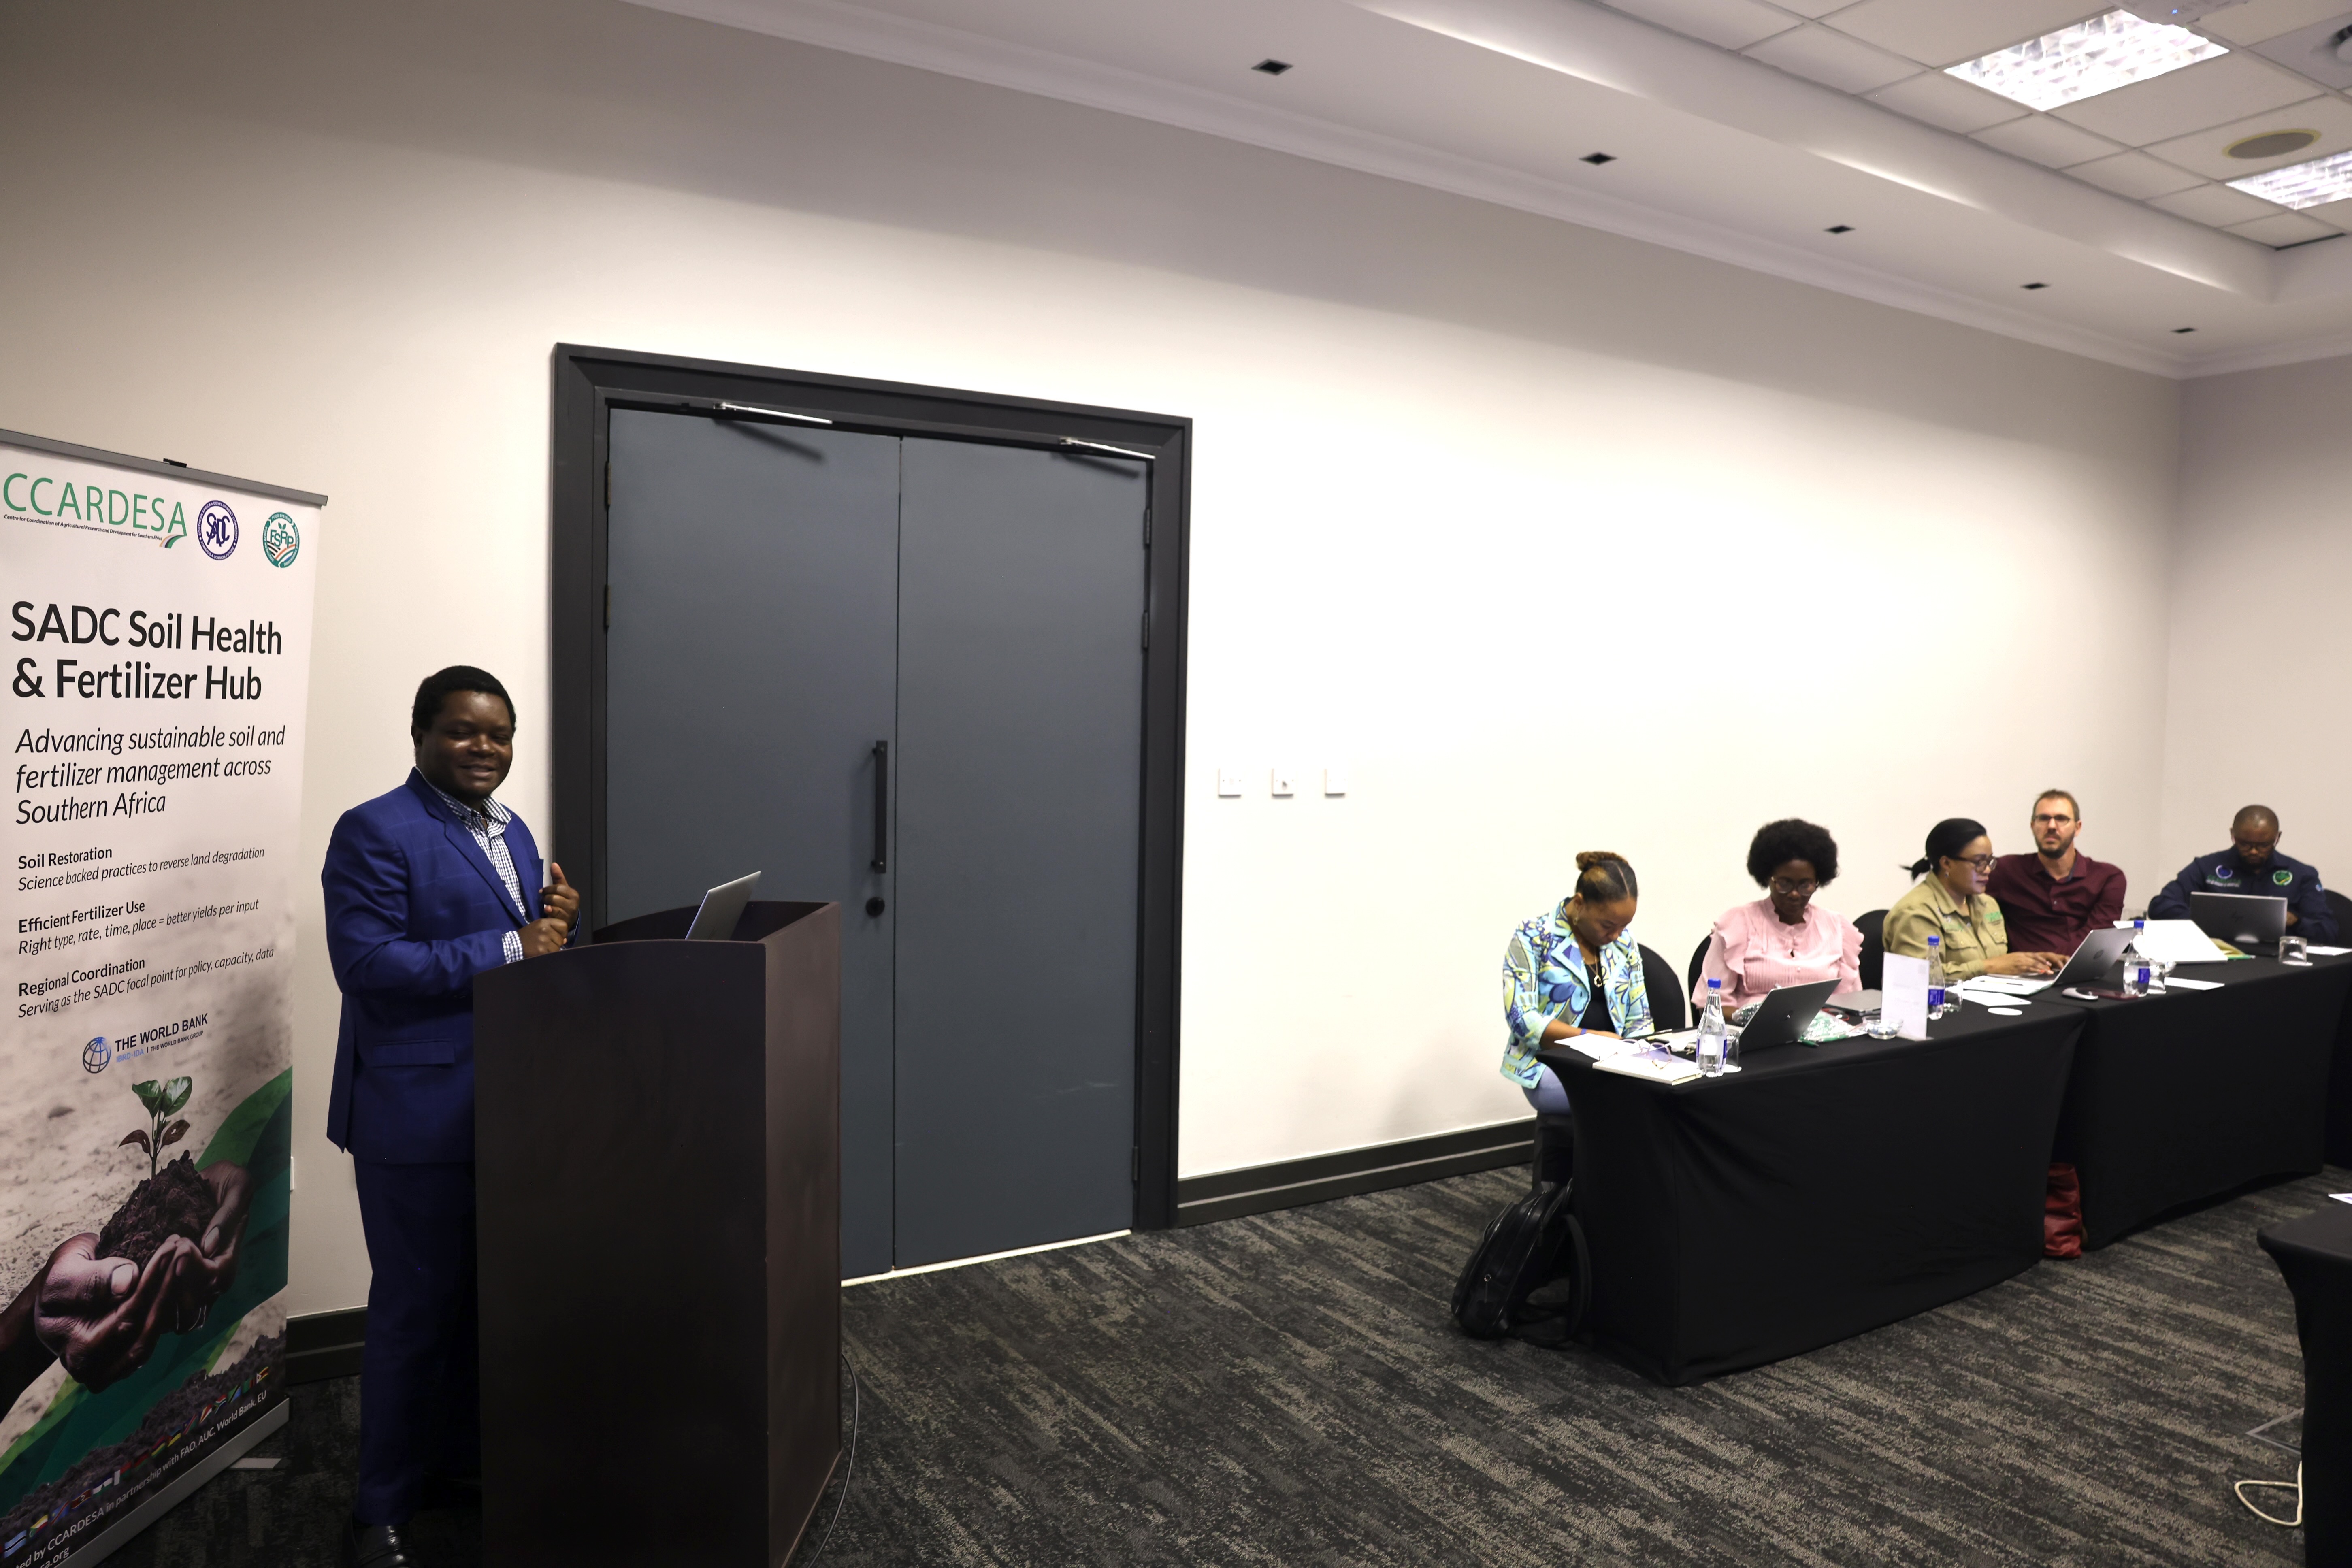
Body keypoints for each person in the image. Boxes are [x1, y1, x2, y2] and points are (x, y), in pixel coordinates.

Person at [323, 668, 580, 1568]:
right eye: (464, 731)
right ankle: (379, 1510)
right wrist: (513, 942)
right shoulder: (374, 829)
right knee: (414, 1310)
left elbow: (525, 952)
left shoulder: (513, 830)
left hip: (504, 1107)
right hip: (414, 1115)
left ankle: (454, 1463)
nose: (485, 748)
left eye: (499, 734)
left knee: (479, 1302)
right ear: (421, 734)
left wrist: (553, 920)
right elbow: (367, 964)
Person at [1500, 852, 1654, 1124]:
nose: (1616, 935)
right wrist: (1590, 1039)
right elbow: (1522, 1019)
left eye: (1624, 926)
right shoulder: (1533, 937)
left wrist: (1645, 1058)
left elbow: (1639, 1020)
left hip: (1615, 1063)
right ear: (1580, 903)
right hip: (1548, 1066)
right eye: (1608, 925)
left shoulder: (1624, 943)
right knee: (1626, 1095)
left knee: (1656, 1089)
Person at [1693, 818, 1862, 1012]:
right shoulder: (1736, 926)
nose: (1795, 894)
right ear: (1768, 878)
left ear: (1818, 882)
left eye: (1805, 885)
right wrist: (1754, 1017)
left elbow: (1853, 1003)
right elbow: (1711, 1007)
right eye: (1784, 883)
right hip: (1752, 1029)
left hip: (1824, 1030)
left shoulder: (1837, 928)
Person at [1882, 818, 2066, 981]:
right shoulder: (1916, 912)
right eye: (1979, 862)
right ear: (1947, 863)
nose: (1988, 870)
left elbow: (1999, 962)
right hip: (1943, 1007)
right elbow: (1917, 979)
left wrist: (2034, 962)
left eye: (1990, 861)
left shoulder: (1987, 904)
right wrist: (1988, 967)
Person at [2148, 804, 2337, 942]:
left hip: (2277, 961)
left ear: (2277, 838)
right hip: (2216, 953)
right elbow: (2160, 906)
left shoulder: (2301, 874)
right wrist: (2205, 919)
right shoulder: (2206, 867)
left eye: (2263, 845)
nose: (2254, 851)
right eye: (2245, 844)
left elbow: (2329, 931)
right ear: (2233, 835)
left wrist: (2296, 922)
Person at [1985, 790, 2126, 958]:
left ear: (2078, 828)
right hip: (2022, 971)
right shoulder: (2006, 870)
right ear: (2033, 826)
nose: (2052, 826)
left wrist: (2055, 962)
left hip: (2080, 969)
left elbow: (2096, 941)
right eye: (2044, 819)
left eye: (2061, 819)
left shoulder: (2108, 878)